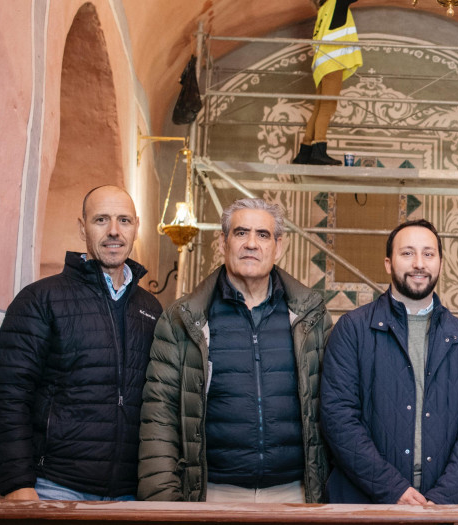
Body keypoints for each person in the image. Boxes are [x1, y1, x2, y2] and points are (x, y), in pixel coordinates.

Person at [138, 198, 331, 503]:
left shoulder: (311, 316)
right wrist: (163, 503)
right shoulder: (183, 319)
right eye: (241, 233)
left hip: (295, 493)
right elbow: (159, 416)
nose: (251, 243)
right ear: (223, 242)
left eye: (263, 235)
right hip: (213, 493)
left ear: (279, 247)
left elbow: (333, 408)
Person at [0, 185, 162, 501]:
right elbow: (8, 395)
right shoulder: (41, 299)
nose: (114, 231)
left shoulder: (150, 309)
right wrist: (17, 485)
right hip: (55, 488)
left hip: (130, 494)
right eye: (101, 220)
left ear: (136, 227)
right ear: (82, 228)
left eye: (124, 220)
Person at [321, 219, 458, 511]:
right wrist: (392, 488)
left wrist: (443, 497)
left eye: (428, 254)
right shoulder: (352, 329)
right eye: (407, 253)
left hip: (440, 508)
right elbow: (339, 419)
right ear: (388, 263)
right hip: (362, 503)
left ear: (440, 263)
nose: (419, 263)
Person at [292, 0, 363, 165]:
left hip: (322, 65)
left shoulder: (324, 9)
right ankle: (319, 150)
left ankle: (304, 152)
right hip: (333, 63)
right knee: (327, 108)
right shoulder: (336, 3)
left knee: (318, 109)